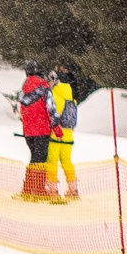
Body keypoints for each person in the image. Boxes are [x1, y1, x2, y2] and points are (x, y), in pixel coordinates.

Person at [15, 63, 54, 201]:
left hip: (28, 131)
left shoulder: (24, 88)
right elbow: (51, 109)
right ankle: (38, 188)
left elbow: (21, 109)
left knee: (33, 158)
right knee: (41, 159)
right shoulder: (44, 87)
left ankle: (28, 187)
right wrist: (57, 129)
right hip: (42, 129)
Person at [47, 64, 80, 203]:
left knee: (52, 161)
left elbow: (53, 113)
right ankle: (73, 189)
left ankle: (53, 190)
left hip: (56, 132)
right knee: (67, 161)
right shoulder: (70, 94)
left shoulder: (55, 94)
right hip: (69, 133)